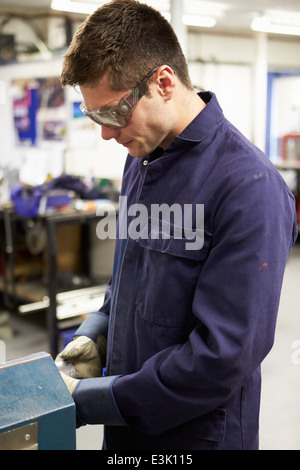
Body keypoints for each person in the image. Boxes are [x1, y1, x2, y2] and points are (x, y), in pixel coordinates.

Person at [57, 0, 298, 450]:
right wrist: (96, 333)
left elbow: (222, 356)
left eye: (112, 113)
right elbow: (127, 282)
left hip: (197, 437)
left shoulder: (249, 188)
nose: (106, 133)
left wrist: (94, 400)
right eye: (95, 117)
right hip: (127, 427)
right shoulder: (142, 160)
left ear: (163, 83)